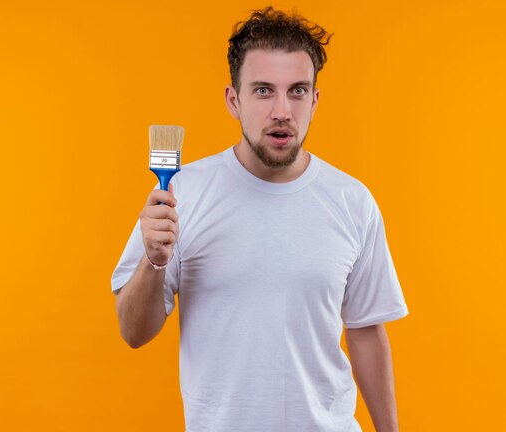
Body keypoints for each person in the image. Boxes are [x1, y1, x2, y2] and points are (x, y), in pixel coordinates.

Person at [112, 6, 409, 432]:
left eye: (298, 91)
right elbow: (133, 332)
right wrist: (154, 259)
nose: (283, 111)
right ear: (234, 101)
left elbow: (365, 332)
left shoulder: (353, 201)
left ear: (315, 99)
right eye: (264, 90)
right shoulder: (182, 194)